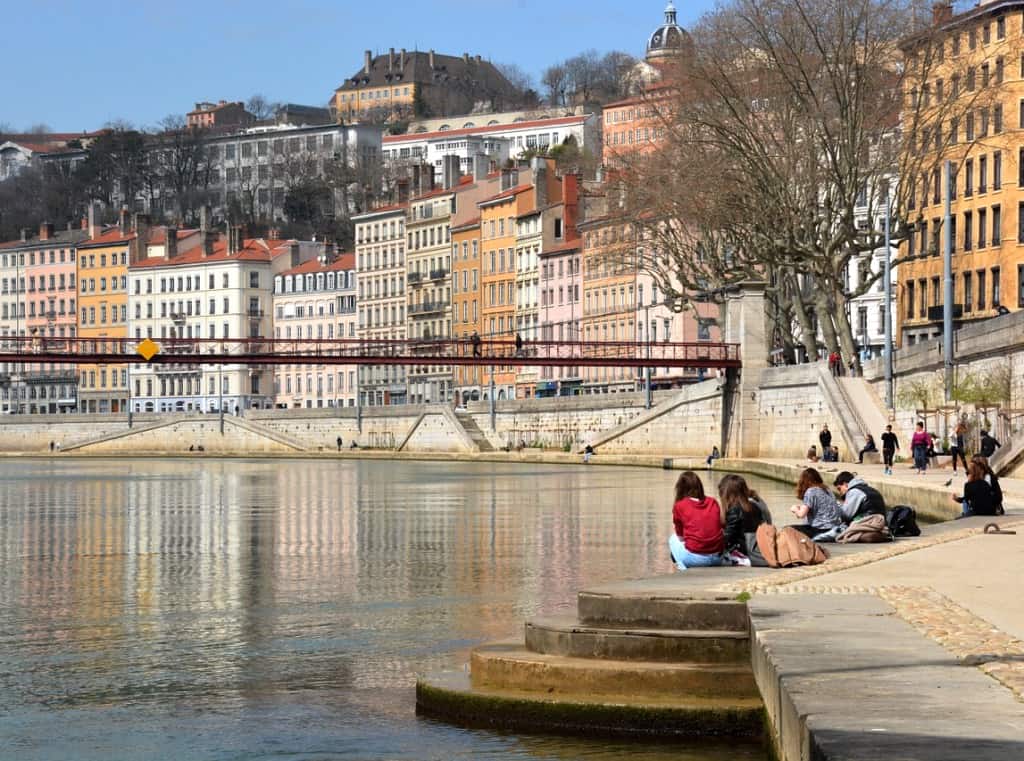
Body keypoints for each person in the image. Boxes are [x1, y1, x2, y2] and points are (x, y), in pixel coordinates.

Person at [668, 471, 724, 570]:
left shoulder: (680, 506)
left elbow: (680, 537)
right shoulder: (713, 502)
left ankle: (682, 568)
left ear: (680, 489)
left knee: (673, 539)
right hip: (717, 557)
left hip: (695, 559)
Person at [720, 473, 773, 566]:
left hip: (743, 549)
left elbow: (729, 537)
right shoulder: (755, 504)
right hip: (757, 546)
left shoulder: (734, 509)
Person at [789, 467, 845, 540]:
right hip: (833, 527)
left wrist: (795, 509)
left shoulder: (810, 491)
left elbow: (801, 514)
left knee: (788, 529)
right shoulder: (827, 490)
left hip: (820, 529)